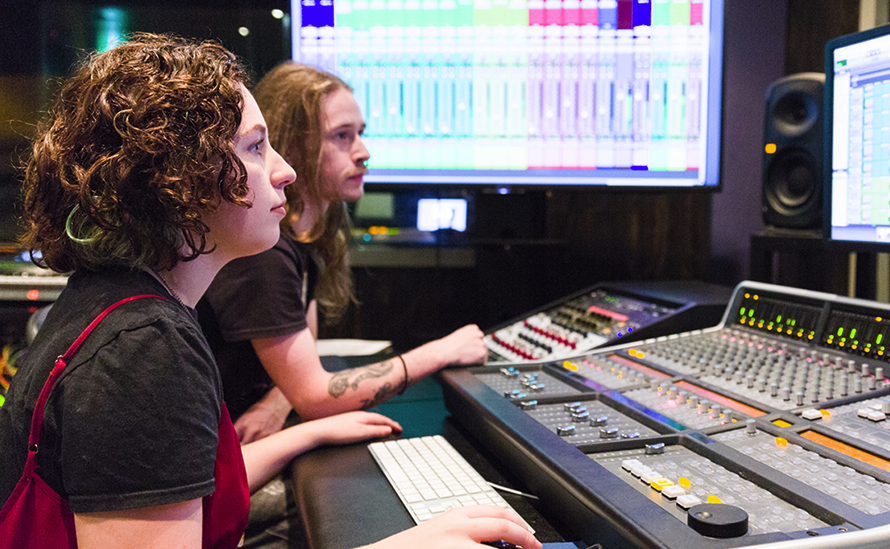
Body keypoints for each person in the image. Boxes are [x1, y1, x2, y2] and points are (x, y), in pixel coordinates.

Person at [0, 34, 540, 549]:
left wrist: (304, 435)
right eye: (257, 148)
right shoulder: (142, 349)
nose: (283, 171)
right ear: (179, 179)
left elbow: (182, 491)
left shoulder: (128, 309)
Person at [198, 62, 489, 444]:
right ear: (295, 146)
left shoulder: (301, 237)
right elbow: (317, 398)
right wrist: (441, 352)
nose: (363, 152)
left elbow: (304, 335)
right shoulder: (264, 253)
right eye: (341, 136)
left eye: (360, 134)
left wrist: (278, 401)